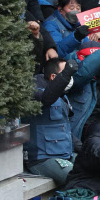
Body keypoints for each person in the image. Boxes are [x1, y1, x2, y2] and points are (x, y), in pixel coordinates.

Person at [24, 57, 79, 187]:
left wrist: (83, 148)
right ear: (54, 76)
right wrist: (66, 74)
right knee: (77, 179)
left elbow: (64, 130)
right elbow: (46, 98)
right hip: (42, 159)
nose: (69, 78)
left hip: (65, 154)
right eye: (66, 73)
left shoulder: (62, 96)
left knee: (97, 169)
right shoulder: (34, 89)